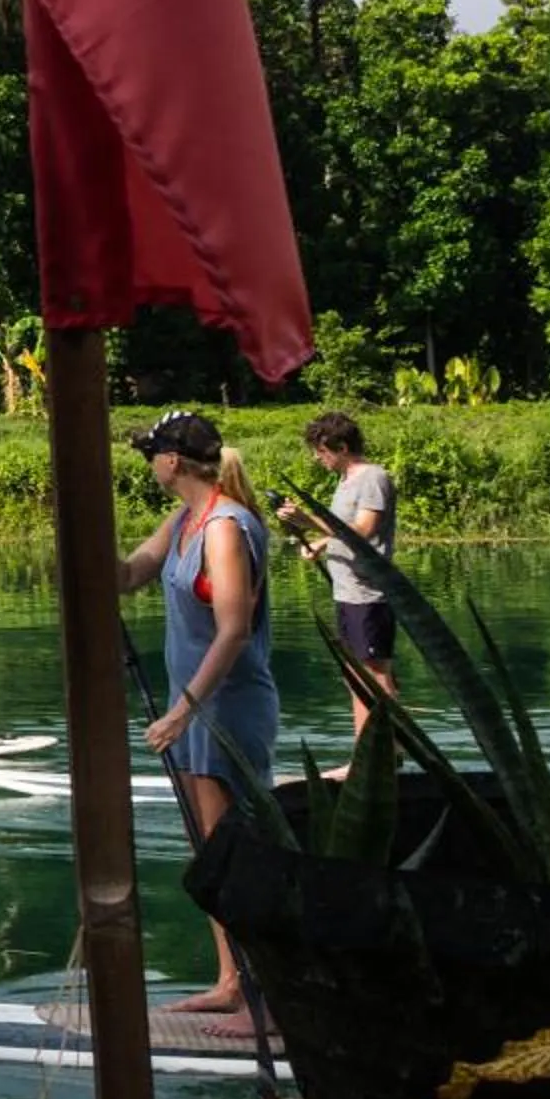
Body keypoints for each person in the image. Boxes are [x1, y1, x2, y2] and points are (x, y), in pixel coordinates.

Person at [116, 410, 279, 1014]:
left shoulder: (226, 527)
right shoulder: (184, 519)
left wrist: (183, 710)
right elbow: (130, 575)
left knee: (234, 854)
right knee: (209, 852)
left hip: (227, 709)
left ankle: (262, 999)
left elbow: (234, 628)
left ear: (173, 462)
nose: (148, 464)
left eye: (150, 455)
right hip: (193, 712)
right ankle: (232, 982)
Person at [274, 411, 399, 740]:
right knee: (354, 674)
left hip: (368, 592)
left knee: (374, 673)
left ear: (342, 446)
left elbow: (364, 531)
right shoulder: (344, 482)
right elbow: (342, 530)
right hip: (347, 590)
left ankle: (384, 753)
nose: (318, 458)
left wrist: (308, 521)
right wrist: (320, 542)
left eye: (322, 451)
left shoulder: (372, 477)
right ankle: (366, 753)